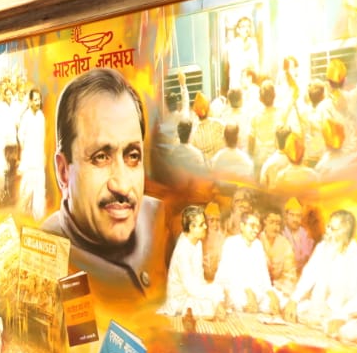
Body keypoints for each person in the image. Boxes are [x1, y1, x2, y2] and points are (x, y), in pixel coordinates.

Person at [41, 67, 161, 293]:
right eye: (101, 157)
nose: (123, 185)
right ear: (64, 172)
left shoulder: (165, 222)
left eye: (133, 156)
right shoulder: (39, 262)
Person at [284, 209, 357, 343]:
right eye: (328, 226)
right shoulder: (322, 248)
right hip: (320, 310)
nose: (327, 231)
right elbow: (309, 274)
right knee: (289, 309)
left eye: (333, 229)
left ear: (345, 233)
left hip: (347, 316)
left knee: (348, 333)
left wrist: (341, 316)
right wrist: (294, 299)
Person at [159, 205, 225, 319]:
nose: (206, 226)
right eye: (201, 224)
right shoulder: (182, 250)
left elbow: (200, 278)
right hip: (180, 301)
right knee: (210, 306)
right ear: (191, 227)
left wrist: (215, 297)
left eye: (204, 223)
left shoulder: (197, 243)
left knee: (218, 290)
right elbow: (191, 288)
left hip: (193, 295)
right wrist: (214, 298)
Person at [215, 211, 282, 315]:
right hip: (233, 289)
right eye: (252, 226)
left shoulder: (258, 245)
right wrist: (249, 293)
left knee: (279, 301)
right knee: (243, 301)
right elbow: (233, 278)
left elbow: (264, 275)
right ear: (242, 226)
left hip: (255, 292)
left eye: (258, 226)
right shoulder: (231, 243)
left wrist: (271, 293)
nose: (256, 230)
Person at [16, 87, 48, 221]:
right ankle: (22, 215)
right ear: (29, 101)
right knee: (27, 190)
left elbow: (42, 138)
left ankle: (38, 218)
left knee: (40, 189)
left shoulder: (41, 116)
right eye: (35, 100)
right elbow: (20, 135)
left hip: (39, 159)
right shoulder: (26, 117)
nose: (38, 102)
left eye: (39, 100)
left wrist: (42, 154)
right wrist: (27, 150)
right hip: (29, 160)